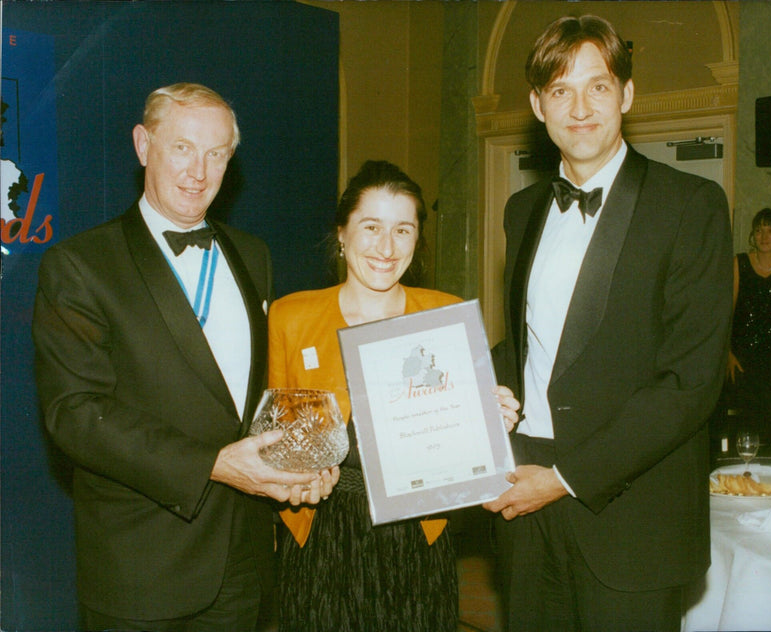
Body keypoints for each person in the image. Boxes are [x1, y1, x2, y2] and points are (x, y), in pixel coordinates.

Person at [32, 82, 338, 632]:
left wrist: (297, 464)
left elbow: (250, 400)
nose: (199, 171)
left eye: (217, 154)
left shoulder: (253, 255)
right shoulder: (80, 265)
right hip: (141, 570)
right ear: (143, 145)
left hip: (241, 566)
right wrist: (214, 465)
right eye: (182, 148)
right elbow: (74, 415)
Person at [483, 15, 732, 632]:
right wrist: (482, 390)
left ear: (626, 93)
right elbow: (530, 343)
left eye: (597, 86)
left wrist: (566, 479)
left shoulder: (691, 206)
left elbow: (690, 382)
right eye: (560, 91)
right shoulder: (522, 210)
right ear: (538, 106)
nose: (580, 108)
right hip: (526, 501)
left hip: (631, 515)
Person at [268, 159, 519, 632]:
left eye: (403, 230)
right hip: (321, 534)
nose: (386, 247)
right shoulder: (291, 317)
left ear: (417, 240)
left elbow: (465, 453)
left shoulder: (445, 317)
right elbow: (276, 449)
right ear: (342, 233)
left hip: (418, 537)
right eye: (371, 227)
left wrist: (490, 422)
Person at [725, 207, 771, 442]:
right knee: (745, 426)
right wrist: (726, 352)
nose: (764, 237)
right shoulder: (740, 263)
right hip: (743, 361)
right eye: (759, 230)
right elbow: (726, 311)